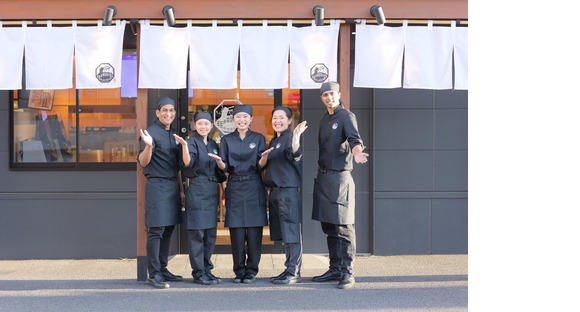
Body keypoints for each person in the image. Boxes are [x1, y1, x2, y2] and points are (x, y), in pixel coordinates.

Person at [311, 81, 369, 290]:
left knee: (344, 227)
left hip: (340, 179)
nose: (329, 97)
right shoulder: (324, 118)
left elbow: (355, 140)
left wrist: (358, 153)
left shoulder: (347, 116)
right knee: (329, 226)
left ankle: (348, 272)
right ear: (322, 98)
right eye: (325, 95)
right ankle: (335, 268)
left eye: (331, 94)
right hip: (324, 178)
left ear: (339, 94)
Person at [209, 104, 268, 284]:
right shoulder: (226, 139)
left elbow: (260, 165)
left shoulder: (258, 138)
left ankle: (251, 270)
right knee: (237, 231)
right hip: (234, 185)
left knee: (254, 230)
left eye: (245, 117)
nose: (242, 120)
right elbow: (225, 167)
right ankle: (239, 270)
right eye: (238, 117)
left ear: (251, 119)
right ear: (233, 119)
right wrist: (219, 162)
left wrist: (264, 157)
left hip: (254, 184)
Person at [137, 96, 185, 289]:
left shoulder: (173, 134)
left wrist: (181, 190)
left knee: (168, 230)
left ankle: (163, 269)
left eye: (171, 110)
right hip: (157, 186)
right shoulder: (150, 133)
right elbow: (143, 162)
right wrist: (149, 146)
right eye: (164, 110)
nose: (168, 113)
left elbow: (178, 167)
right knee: (156, 230)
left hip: (173, 187)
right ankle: (154, 273)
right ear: (157, 112)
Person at [175, 112, 226, 285]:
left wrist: (223, 189)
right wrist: (183, 146)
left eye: (206, 123)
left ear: (211, 126)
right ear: (194, 125)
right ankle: (198, 273)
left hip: (211, 191)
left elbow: (221, 173)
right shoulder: (191, 142)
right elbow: (187, 163)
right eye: (200, 124)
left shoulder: (212, 144)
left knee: (210, 234)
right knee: (197, 234)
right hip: (197, 189)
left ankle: (207, 270)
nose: (203, 126)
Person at [262, 106, 308, 285]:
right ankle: (288, 267)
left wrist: (296, 136)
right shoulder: (274, 141)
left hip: (287, 191)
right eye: (274, 117)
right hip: (275, 192)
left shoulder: (290, 137)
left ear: (289, 120)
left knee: (292, 231)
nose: (277, 121)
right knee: (285, 233)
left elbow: (295, 155)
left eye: (282, 117)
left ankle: (294, 271)